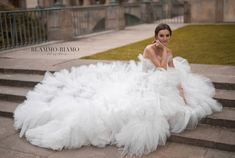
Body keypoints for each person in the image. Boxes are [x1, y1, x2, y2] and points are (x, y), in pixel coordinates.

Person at [14, 23, 222, 156]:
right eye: (162, 35)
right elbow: (160, 67)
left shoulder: (168, 50)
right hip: (145, 82)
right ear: (156, 35)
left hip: (161, 82)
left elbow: (172, 71)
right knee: (139, 107)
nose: (165, 39)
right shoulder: (149, 49)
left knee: (178, 97)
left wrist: (182, 89)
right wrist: (166, 57)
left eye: (167, 36)